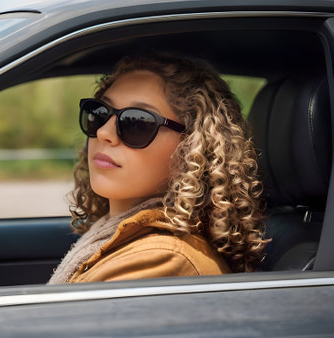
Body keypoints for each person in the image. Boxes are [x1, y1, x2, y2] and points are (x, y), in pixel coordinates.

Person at [48, 53, 270, 284]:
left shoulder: (162, 261)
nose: (104, 132)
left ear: (193, 148)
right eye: (100, 113)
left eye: (137, 123)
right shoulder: (116, 235)